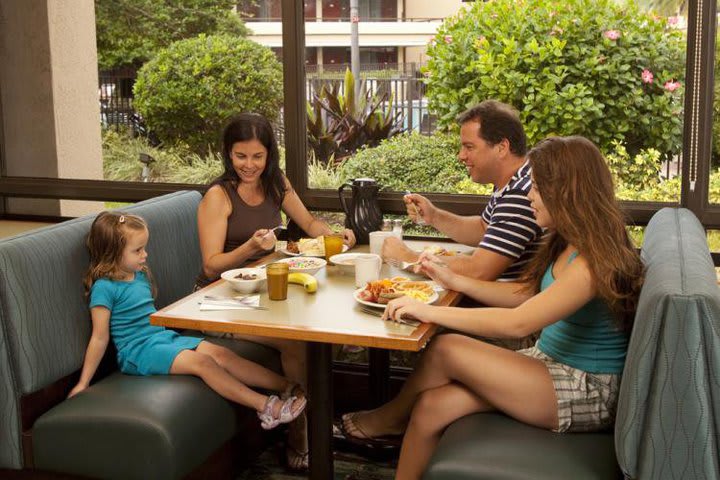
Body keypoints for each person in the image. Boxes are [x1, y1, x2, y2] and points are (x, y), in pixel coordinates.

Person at [341, 136, 645, 479]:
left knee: (446, 347)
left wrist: (426, 310)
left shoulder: (592, 262)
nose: (529, 196)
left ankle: (389, 419)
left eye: (537, 188)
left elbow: (518, 323)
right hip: (550, 365)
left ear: (566, 190)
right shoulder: (568, 240)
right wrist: (454, 281)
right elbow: (525, 296)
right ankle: (394, 424)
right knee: (431, 407)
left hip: (585, 388)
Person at [195, 112, 355, 470]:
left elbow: (309, 222)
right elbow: (210, 265)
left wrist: (335, 236)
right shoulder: (218, 196)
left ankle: (314, 416)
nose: (248, 165)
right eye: (240, 156)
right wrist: (250, 248)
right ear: (227, 154)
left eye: (257, 156)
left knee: (326, 324)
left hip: (263, 294)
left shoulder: (275, 183)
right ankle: (298, 432)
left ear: (269, 156)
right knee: (296, 340)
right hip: (217, 303)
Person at [69, 211, 307, 433]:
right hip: (137, 352)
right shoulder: (104, 288)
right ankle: (266, 406)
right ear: (111, 253)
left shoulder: (139, 274)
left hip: (160, 338)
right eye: (138, 250)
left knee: (222, 354)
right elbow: (100, 337)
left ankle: (287, 386)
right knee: (203, 363)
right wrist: (83, 382)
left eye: (144, 248)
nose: (145, 255)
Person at [383, 100, 543, 283]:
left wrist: (408, 257)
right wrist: (433, 216)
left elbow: (479, 271)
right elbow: (484, 229)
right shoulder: (515, 181)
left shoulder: (519, 194)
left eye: (469, 147)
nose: (461, 156)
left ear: (502, 147)